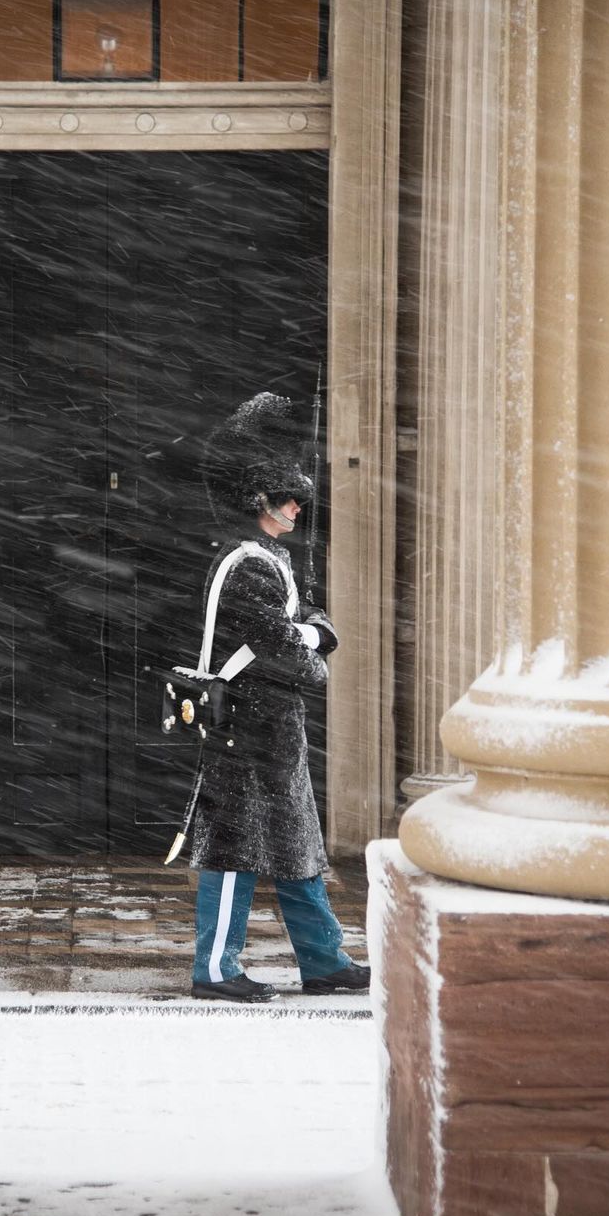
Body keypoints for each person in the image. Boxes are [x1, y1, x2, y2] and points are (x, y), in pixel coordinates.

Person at [188, 391, 370, 1003]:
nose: (296, 506)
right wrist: (315, 646)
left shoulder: (270, 560)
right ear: (257, 499)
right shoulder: (250, 565)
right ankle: (214, 970)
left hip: (271, 727)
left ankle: (324, 961)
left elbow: (308, 622)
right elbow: (289, 653)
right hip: (247, 725)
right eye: (286, 497)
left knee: (296, 846)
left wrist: (311, 631)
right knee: (235, 848)